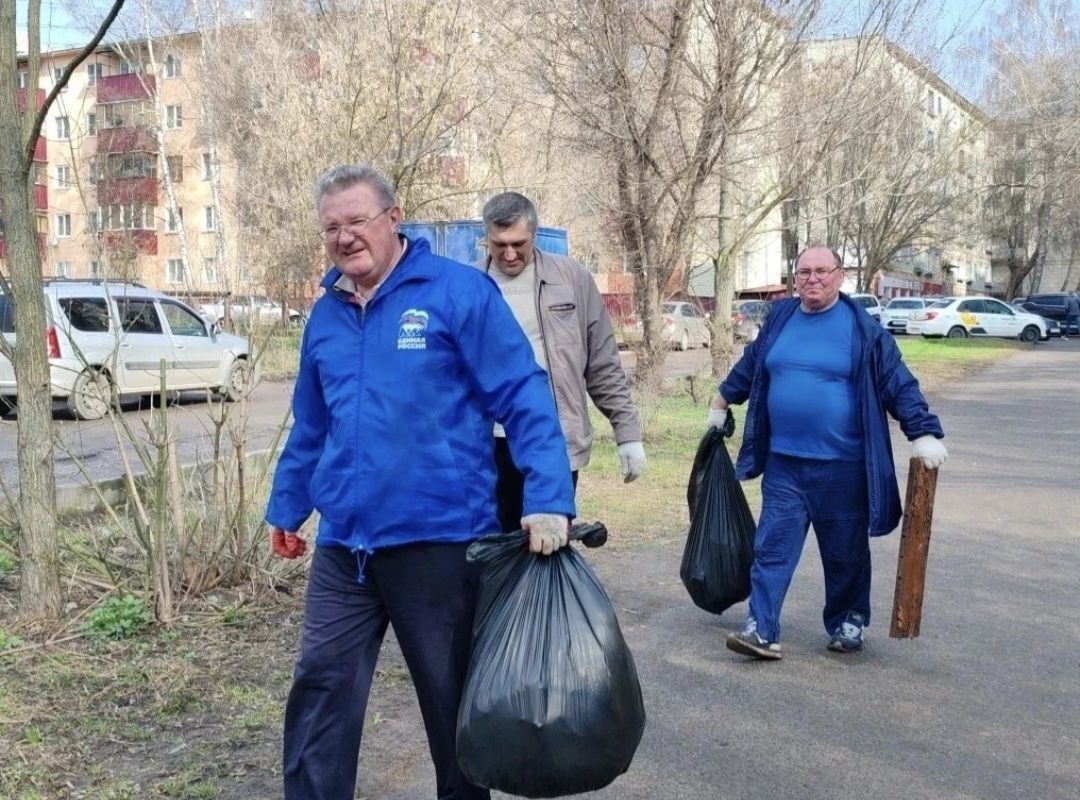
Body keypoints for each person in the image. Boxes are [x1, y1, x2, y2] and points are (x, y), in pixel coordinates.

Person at [265, 165, 576, 800]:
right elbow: (311, 425)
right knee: (320, 693)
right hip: (345, 549)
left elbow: (523, 397)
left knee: (451, 709)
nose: (345, 237)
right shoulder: (325, 317)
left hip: (439, 545)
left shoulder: (457, 293)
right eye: (332, 227)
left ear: (392, 218)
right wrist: (288, 506)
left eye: (356, 221)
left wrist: (547, 497)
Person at [708, 245, 947, 661]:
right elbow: (753, 364)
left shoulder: (862, 329)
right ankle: (760, 629)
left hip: (842, 467)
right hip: (785, 464)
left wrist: (922, 432)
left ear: (840, 276)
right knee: (771, 549)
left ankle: (847, 620)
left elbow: (898, 383)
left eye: (822, 271)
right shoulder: (780, 318)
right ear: (794, 277)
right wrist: (721, 401)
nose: (812, 279)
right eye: (804, 272)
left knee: (844, 554)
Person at [479, 191, 645, 533]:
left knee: (548, 544)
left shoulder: (571, 280)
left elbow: (602, 363)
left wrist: (626, 433)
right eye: (499, 245)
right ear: (487, 237)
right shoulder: (468, 285)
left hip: (553, 438)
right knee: (490, 550)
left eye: (518, 244)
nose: (509, 254)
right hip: (486, 444)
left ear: (535, 234)